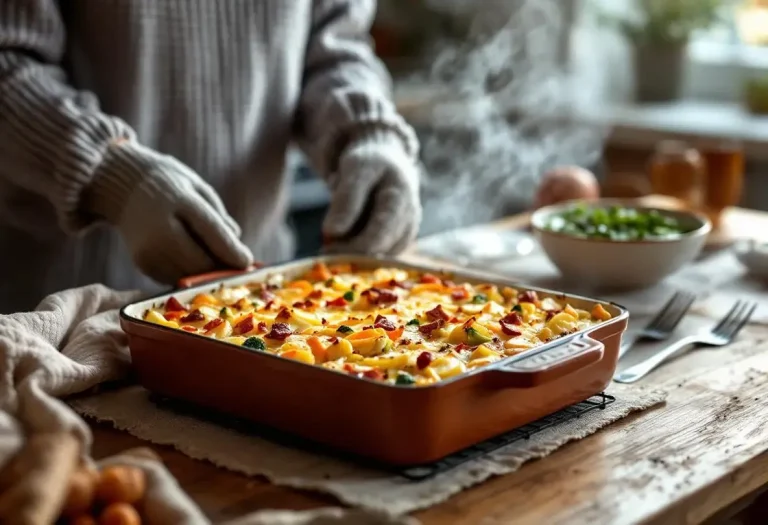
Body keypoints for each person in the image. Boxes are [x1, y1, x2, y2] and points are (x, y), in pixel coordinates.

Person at [0, 1, 422, 314]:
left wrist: (367, 133)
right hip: (66, 308)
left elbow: (335, 47)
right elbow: (8, 60)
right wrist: (111, 174)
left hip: (265, 299)